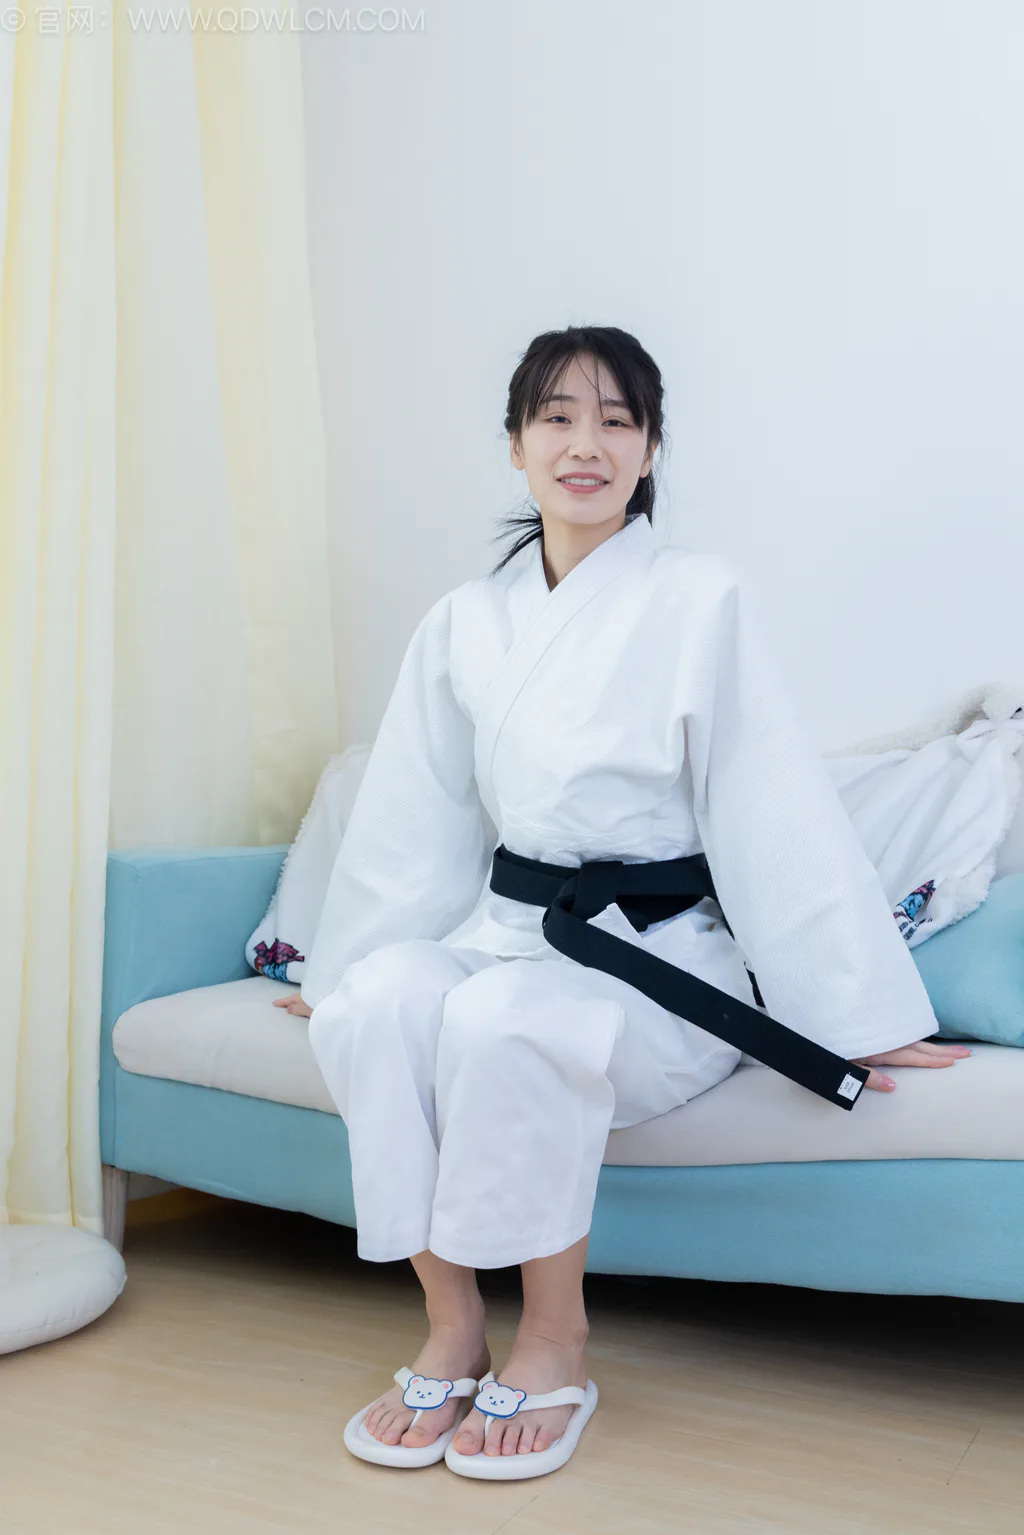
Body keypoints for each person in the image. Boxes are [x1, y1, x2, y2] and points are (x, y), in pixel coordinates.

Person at [274, 325, 968, 1480]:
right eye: (555, 416)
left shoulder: (700, 597)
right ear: (514, 444)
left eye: (615, 419)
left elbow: (767, 804)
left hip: (659, 966)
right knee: (374, 1003)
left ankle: (554, 1339)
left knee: (503, 1018)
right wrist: (343, 963)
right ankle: (451, 1322)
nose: (584, 443)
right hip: (508, 934)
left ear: (649, 449)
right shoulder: (465, 620)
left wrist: (856, 1008)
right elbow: (413, 816)